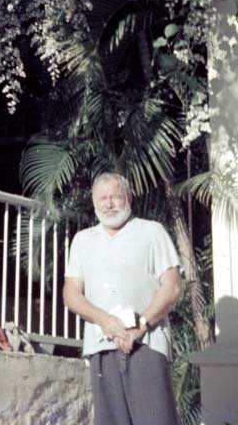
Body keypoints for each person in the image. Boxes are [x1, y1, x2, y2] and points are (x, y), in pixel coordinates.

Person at [63, 173, 183, 425]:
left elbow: (172, 287)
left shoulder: (151, 232)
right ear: (94, 203)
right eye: (102, 198)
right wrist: (105, 321)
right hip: (101, 346)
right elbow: (71, 293)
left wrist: (141, 326)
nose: (109, 204)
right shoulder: (83, 240)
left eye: (115, 197)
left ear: (128, 197)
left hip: (146, 344)